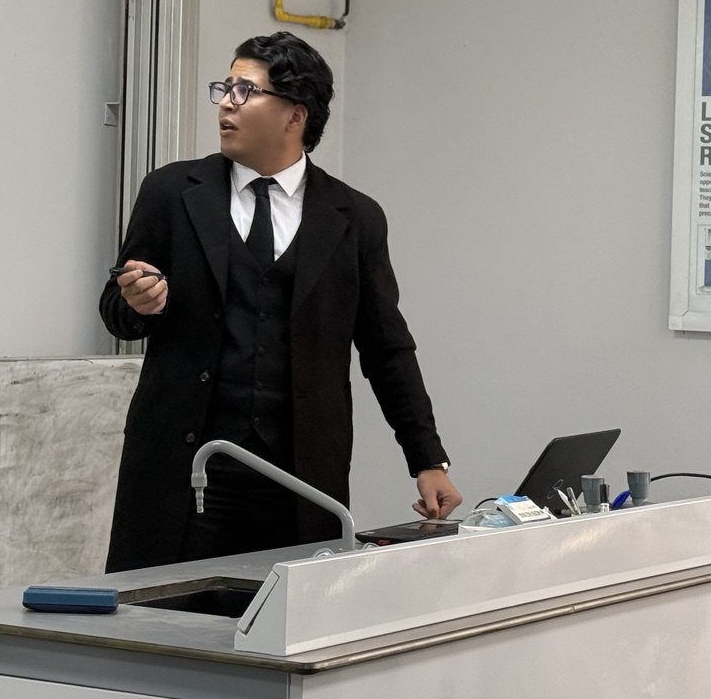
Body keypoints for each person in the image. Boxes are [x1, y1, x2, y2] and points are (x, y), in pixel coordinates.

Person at [100, 31, 461, 573]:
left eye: (245, 90)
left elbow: (386, 348)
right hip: (186, 466)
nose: (226, 102)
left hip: (299, 473)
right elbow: (117, 309)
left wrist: (426, 457)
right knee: (162, 609)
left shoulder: (354, 218)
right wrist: (139, 302)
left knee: (286, 611)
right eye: (225, 88)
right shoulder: (171, 192)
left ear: (296, 115)